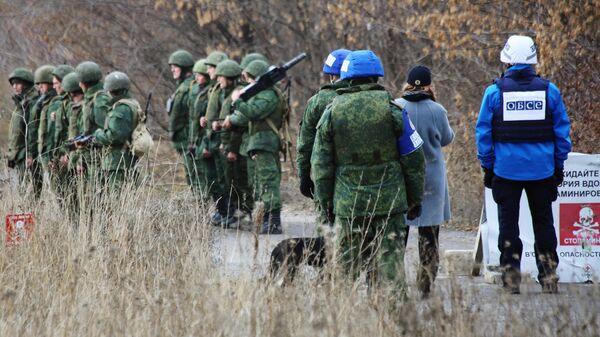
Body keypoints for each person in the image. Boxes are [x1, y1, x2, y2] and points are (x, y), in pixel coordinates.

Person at [311, 50, 425, 298]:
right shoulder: (394, 111)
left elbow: (320, 165)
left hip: (348, 204)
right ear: (376, 77)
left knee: (344, 271)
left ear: (346, 78)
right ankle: (398, 324)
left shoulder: (331, 112)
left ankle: (341, 322)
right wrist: (415, 199)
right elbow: (414, 158)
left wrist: (325, 202)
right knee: (392, 270)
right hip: (390, 204)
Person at [476, 35, 571, 294]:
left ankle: (511, 280)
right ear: (533, 61)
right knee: (543, 224)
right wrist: (558, 165)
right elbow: (562, 132)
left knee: (508, 226)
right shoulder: (549, 91)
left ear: (506, 61)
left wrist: (488, 166)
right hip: (542, 171)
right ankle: (549, 277)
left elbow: (483, 133)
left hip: (506, 171)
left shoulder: (494, 92)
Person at [395, 65, 454, 298]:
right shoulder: (438, 110)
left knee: (398, 234)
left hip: (403, 178)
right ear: (430, 85)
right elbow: (447, 138)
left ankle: (395, 281)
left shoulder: (397, 107)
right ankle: (425, 285)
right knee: (429, 236)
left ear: (407, 84)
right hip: (431, 179)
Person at [226, 59, 285, 234]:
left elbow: (253, 112)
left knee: (268, 182)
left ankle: (274, 221)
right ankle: (266, 218)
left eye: (250, 78)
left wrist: (237, 100)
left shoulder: (268, 95)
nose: (248, 83)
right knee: (260, 183)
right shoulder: (261, 94)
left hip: (265, 142)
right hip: (259, 143)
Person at [296, 48, 350, 231]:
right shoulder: (368, 97)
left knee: (326, 230)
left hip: (324, 175)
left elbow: (305, 144)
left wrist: (304, 176)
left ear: (332, 76)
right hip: (358, 177)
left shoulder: (318, 101)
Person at [209, 59, 253, 227]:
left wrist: (231, 149)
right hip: (227, 145)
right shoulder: (227, 94)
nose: (218, 79)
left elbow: (238, 126)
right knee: (228, 182)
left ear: (229, 77)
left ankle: (246, 213)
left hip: (236, 146)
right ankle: (233, 213)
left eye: (221, 77)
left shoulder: (237, 94)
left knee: (239, 183)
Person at [92, 71, 140, 194]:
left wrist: (97, 135)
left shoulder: (121, 109)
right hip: (122, 162)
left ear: (111, 90)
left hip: (117, 163)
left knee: (115, 200)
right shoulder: (131, 104)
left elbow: (114, 137)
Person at [75, 61, 110, 183]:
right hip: (91, 159)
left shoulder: (99, 101)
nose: (79, 85)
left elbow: (106, 134)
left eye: (80, 81)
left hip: (99, 160)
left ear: (84, 83)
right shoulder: (90, 99)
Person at [167, 50, 195, 191]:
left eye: (175, 66)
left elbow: (175, 119)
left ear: (184, 68)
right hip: (190, 140)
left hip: (189, 141)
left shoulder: (185, 89)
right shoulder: (189, 85)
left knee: (194, 178)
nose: (172, 69)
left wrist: (173, 135)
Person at [7, 67, 39, 191]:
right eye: (13, 84)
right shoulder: (21, 102)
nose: (15, 87)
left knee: (29, 191)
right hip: (20, 154)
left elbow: (32, 129)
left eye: (18, 83)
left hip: (26, 154)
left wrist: (30, 154)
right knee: (23, 190)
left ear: (26, 84)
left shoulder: (31, 102)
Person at [28, 65, 57, 197]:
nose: (39, 87)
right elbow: (34, 128)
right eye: (38, 84)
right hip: (43, 152)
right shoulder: (41, 102)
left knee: (59, 190)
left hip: (51, 153)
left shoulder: (54, 102)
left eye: (42, 83)